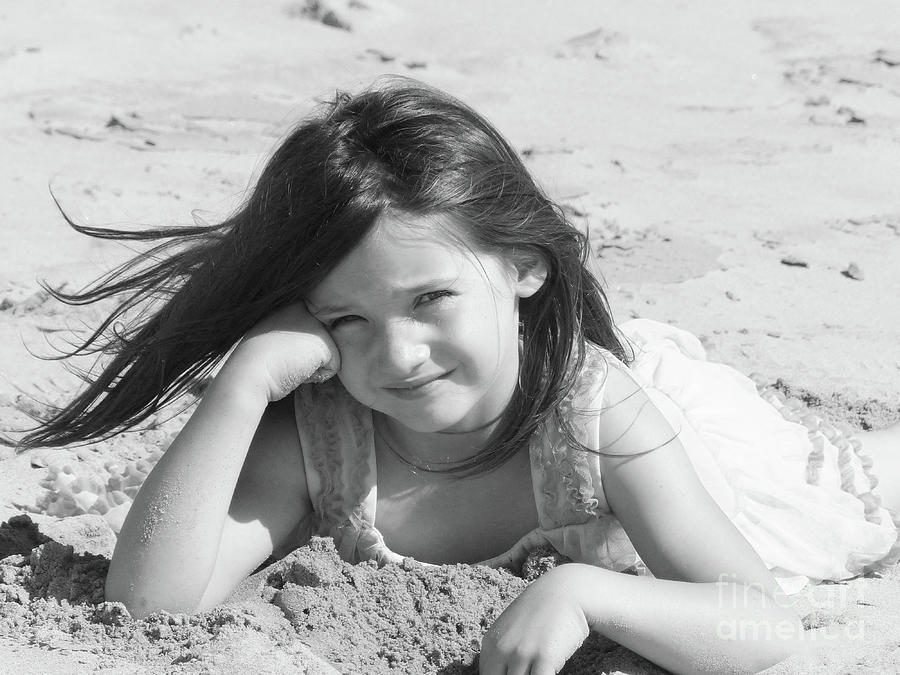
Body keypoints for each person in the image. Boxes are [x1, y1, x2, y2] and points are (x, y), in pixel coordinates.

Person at [16, 76, 900, 675]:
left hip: (669, 441)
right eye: (345, 318)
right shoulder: (327, 432)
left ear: (523, 265)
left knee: (837, 491)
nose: (396, 355)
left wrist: (585, 590)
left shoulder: (598, 414)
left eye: (430, 297)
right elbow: (147, 606)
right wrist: (242, 385)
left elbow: (763, 622)